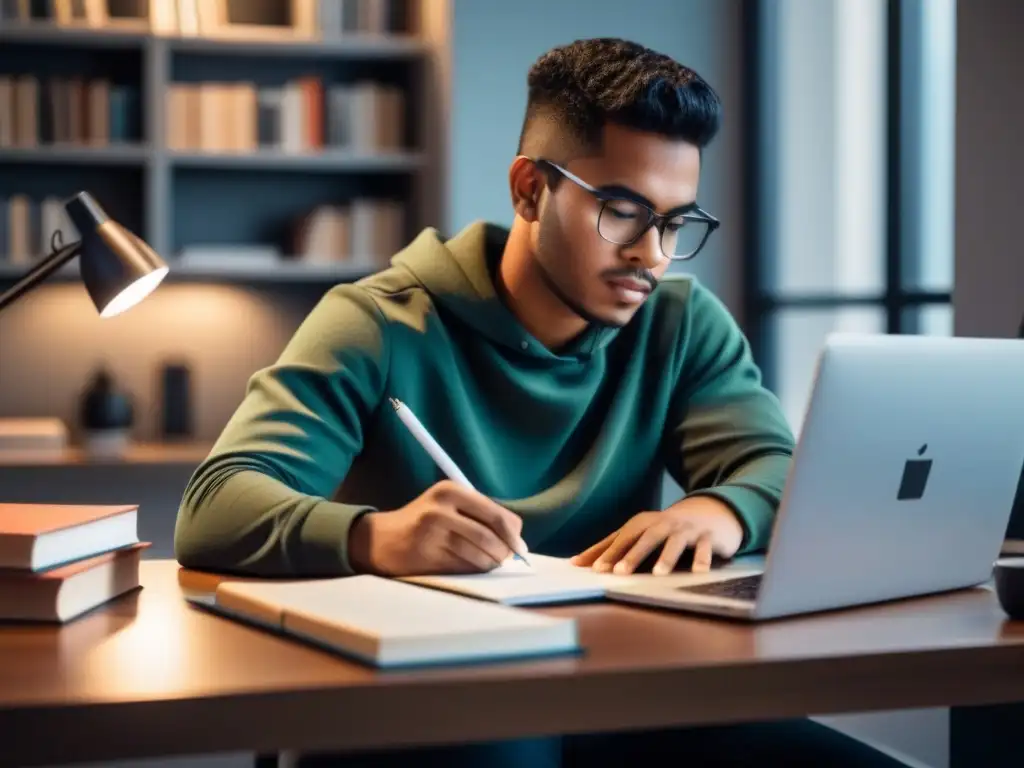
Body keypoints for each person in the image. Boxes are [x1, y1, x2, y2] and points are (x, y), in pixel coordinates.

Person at [176, 38, 906, 768]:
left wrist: (716, 511)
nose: (651, 254)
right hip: (425, 700)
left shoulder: (680, 324)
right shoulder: (378, 322)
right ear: (529, 189)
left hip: (626, 692)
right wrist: (378, 537)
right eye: (623, 212)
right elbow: (214, 507)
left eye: (675, 222)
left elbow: (778, 471)